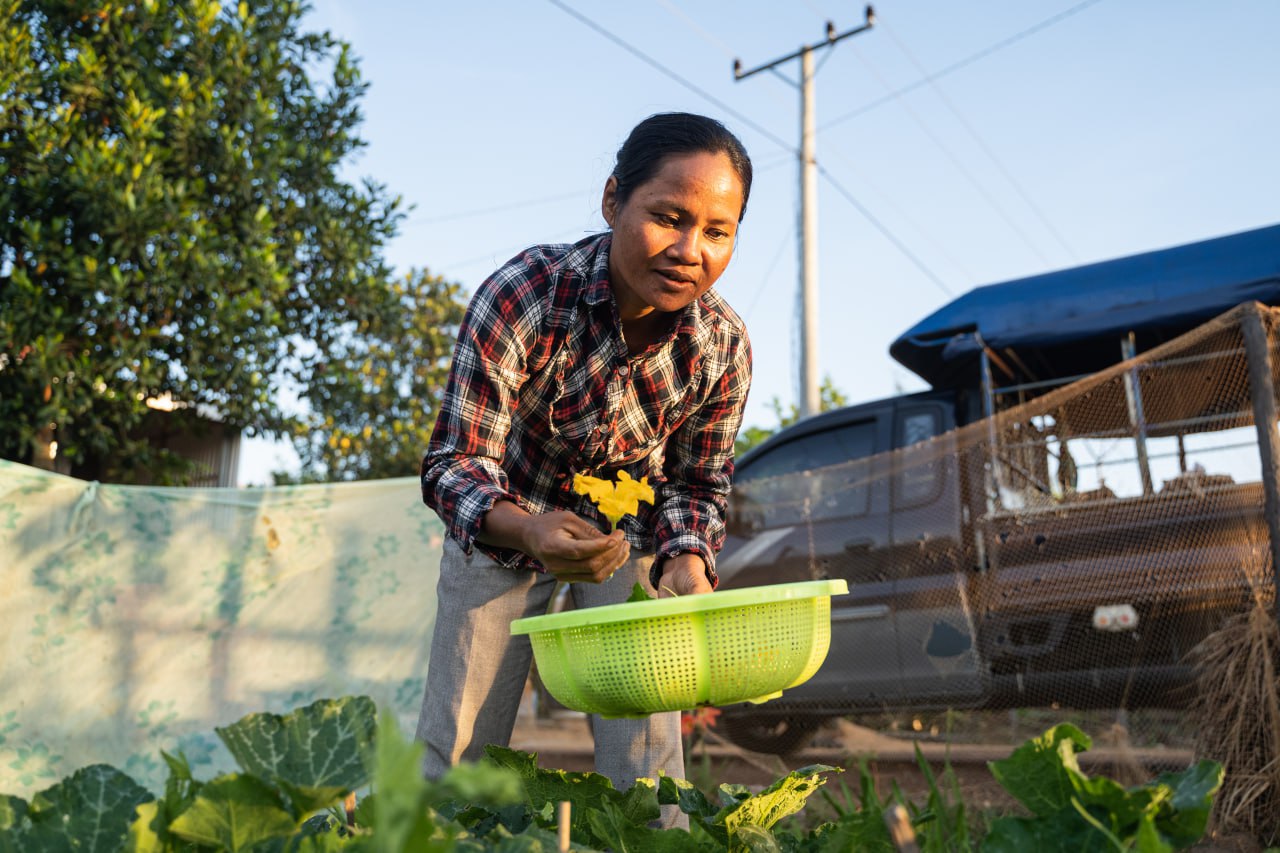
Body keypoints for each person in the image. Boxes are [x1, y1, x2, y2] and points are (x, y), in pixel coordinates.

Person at [415, 112, 753, 827]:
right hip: (504, 528)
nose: (690, 250)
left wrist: (688, 558)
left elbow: (697, 484)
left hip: (622, 543)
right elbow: (454, 464)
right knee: (460, 749)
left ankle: (652, 844)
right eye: (668, 217)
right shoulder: (527, 296)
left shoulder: (721, 347)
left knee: (650, 759)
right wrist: (529, 529)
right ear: (611, 201)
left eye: (717, 231)